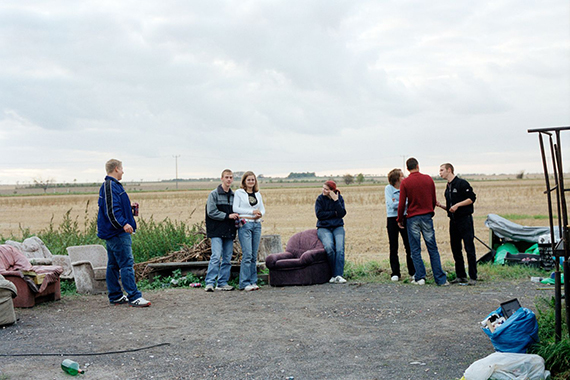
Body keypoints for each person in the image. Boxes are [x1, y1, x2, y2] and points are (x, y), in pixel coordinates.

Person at [97, 159, 151, 307]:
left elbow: (116, 207)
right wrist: (123, 224)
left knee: (113, 265)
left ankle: (116, 296)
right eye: (121, 169)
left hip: (113, 233)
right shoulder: (110, 186)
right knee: (127, 264)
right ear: (115, 169)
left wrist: (129, 207)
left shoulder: (112, 186)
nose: (123, 171)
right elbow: (111, 210)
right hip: (117, 233)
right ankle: (134, 297)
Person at [397, 158, 449, 286]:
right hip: (426, 216)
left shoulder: (405, 182)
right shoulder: (428, 179)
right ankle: (440, 279)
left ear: (407, 168)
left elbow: (402, 203)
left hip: (412, 217)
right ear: (418, 166)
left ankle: (420, 277)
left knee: (415, 249)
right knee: (432, 248)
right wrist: (430, 210)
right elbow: (433, 198)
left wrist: (400, 219)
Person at [436, 163, 477, 285]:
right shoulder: (448, 187)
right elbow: (450, 208)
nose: (440, 172)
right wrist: (441, 206)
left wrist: (458, 205)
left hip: (464, 219)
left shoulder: (462, 183)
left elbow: (471, 198)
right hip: (453, 221)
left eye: (442, 170)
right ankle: (461, 275)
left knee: (469, 248)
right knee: (455, 248)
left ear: (449, 170)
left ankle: (473, 276)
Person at [204, 169, 239, 292]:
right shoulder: (213, 194)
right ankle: (209, 282)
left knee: (227, 258)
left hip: (229, 231)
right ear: (222, 179)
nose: (229, 179)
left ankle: (222, 283)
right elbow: (211, 212)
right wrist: (227, 216)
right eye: (226, 177)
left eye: (231, 177)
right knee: (216, 256)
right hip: (216, 230)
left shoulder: (234, 196)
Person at [233, 171, 265, 291]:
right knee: (247, 254)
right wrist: (251, 212)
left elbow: (262, 208)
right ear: (244, 181)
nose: (251, 182)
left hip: (256, 224)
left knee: (253, 255)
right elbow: (235, 208)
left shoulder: (258, 194)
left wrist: (260, 214)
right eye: (249, 180)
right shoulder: (239, 193)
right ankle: (244, 282)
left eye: (253, 180)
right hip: (245, 224)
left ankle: (253, 281)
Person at [315, 180, 347, 284]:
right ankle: (333, 274)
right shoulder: (320, 199)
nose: (323, 190)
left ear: (332, 191)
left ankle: (338, 275)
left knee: (339, 248)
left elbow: (342, 213)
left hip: (338, 226)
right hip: (324, 227)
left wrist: (336, 201)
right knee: (329, 247)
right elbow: (319, 215)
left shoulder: (339, 199)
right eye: (323, 188)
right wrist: (334, 213)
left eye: (326, 189)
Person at [385, 168, 414, 282]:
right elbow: (392, 205)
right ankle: (395, 273)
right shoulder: (388, 189)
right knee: (393, 246)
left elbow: (410, 201)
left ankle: (412, 272)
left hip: (405, 217)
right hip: (392, 218)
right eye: (402, 176)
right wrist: (403, 202)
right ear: (396, 179)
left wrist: (400, 203)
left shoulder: (405, 187)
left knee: (409, 245)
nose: (404, 177)